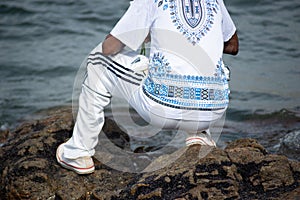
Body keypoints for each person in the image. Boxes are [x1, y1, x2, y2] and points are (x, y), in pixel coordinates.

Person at [56, 0, 239, 174]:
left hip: (160, 109)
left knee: (98, 59)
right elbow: (232, 46)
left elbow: (109, 47)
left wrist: (146, 34)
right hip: (213, 112)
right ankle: (199, 133)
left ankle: (78, 152)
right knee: (199, 64)